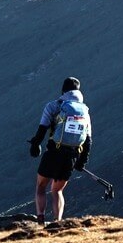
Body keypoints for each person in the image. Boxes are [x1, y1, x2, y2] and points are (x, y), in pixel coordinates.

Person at [27, 77, 92, 224]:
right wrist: (82, 161)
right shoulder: (84, 111)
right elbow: (88, 139)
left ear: (63, 90)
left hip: (54, 152)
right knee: (57, 190)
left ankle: (41, 221)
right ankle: (57, 222)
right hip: (72, 155)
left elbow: (42, 129)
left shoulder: (54, 106)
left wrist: (35, 144)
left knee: (41, 186)